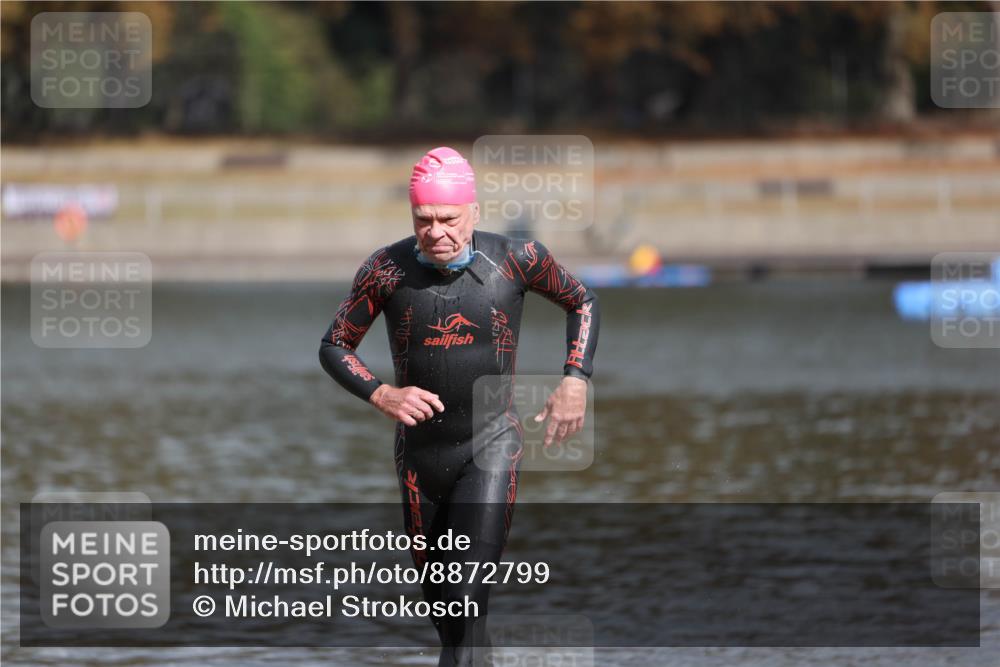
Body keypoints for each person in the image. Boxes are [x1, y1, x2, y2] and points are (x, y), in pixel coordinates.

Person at [319, 147, 599, 666]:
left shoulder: (518, 259)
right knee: (451, 620)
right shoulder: (385, 269)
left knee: (469, 600)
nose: (436, 232)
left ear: (473, 210)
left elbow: (581, 301)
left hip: (490, 447)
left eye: (448, 219)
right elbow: (335, 344)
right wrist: (382, 393)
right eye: (423, 220)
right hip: (420, 462)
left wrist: (575, 378)